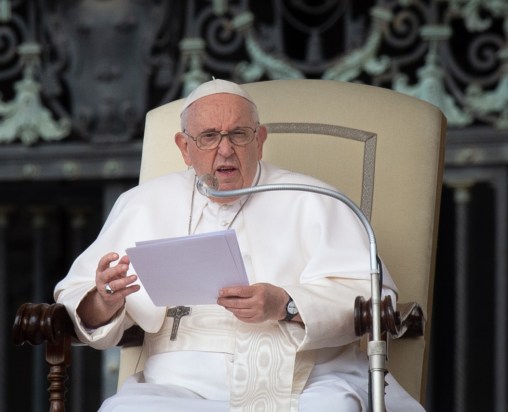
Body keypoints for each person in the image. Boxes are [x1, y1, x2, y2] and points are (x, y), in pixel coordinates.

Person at [54, 79, 425, 411]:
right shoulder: (142, 204)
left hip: (305, 381)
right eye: (209, 136)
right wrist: (105, 299)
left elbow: (378, 302)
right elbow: (76, 296)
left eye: (239, 134)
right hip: (175, 389)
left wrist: (287, 303)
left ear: (260, 140)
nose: (226, 149)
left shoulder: (314, 199)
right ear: (185, 147)